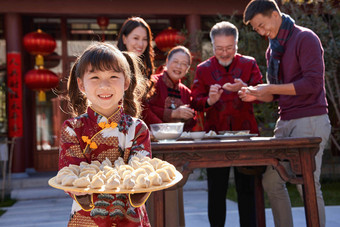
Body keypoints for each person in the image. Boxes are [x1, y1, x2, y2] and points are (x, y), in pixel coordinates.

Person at [241, 1, 332, 227]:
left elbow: (311, 84)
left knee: (307, 184)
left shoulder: (305, 38)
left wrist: (270, 89)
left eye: (262, 25)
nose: (262, 32)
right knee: (272, 181)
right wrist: (254, 93)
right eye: (257, 29)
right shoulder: (273, 48)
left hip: (310, 119)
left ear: (274, 14)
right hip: (286, 121)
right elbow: (275, 94)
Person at [58, 42, 151, 226]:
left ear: (126, 82)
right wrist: (77, 188)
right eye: (94, 77)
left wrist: (141, 186)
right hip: (87, 217)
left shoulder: (137, 129)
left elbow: (142, 172)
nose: (104, 85)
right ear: (81, 84)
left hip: (129, 216)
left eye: (113, 76)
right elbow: (69, 173)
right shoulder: (72, 128)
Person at [191, 21, 263, 227]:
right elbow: (195, 101)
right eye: (219, 48)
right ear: (212, 46)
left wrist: (247, 90)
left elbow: (264, 94)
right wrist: (209, 101)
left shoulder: (249, 64)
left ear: (237, 45)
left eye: (229, 48)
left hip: (245, 134)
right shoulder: (203, 69)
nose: (224, 53)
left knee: (247, 188)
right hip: (215, 136)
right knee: (216, 189)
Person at [143, 45, 195, 131]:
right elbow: (144, 110)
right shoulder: (152, 83)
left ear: (187, 68)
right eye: (175, 61)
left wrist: (189, 116)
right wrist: (173, 114)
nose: (179, 66)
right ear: (167, 62)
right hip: (153, 137)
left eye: (184, 64)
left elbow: (191, 124)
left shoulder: (186, 92)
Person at [117, 17, 155, 99]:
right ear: (124, 39)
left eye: (145, 39)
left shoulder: (144, 69)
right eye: (136, 38)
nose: (141, 44)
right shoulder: (114, 66)